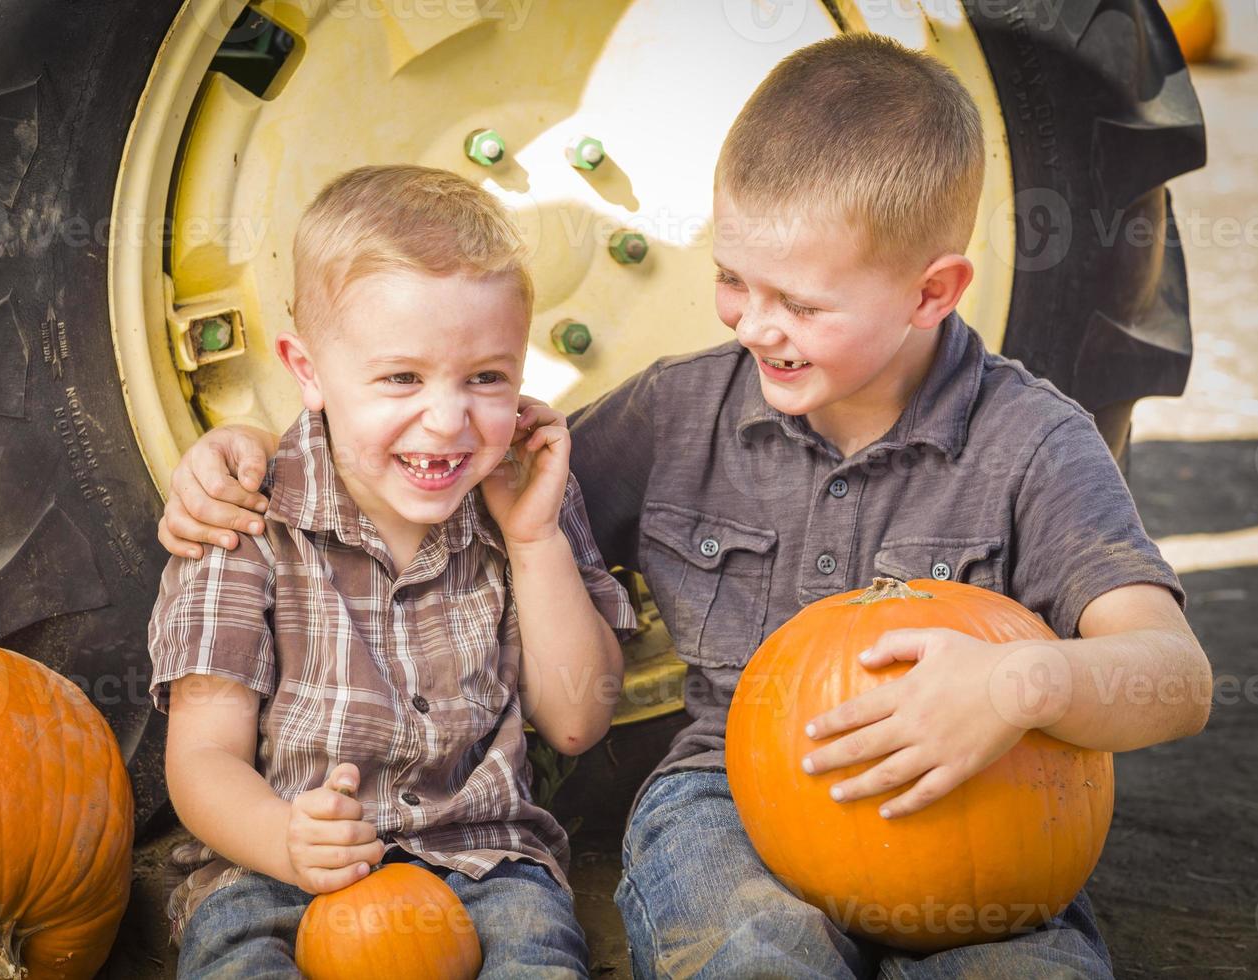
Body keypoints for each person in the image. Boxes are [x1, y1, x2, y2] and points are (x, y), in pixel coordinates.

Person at [155, 34, 1212, 979]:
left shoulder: (1033, 441)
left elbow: (1175, 679)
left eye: (800, 303)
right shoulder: (680, 408)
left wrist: (1026, 680)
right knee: (752, 950)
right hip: (731, 799)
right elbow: (466, 466)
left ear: (934, 292)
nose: (755, 325)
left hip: (984, 813)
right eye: (733, 280)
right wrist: (245, 450)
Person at [147, 164, 636, 978]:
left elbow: (577, 722)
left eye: (486, 377)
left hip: (482, 861)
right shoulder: (241, 515)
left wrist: (537, 539)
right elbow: (201, 758)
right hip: (274, 866)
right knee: (237, 960)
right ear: (306, 370)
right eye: (401, 378)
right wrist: (285, 839)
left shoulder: (522, 496)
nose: (446, 421)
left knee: (538, 961)